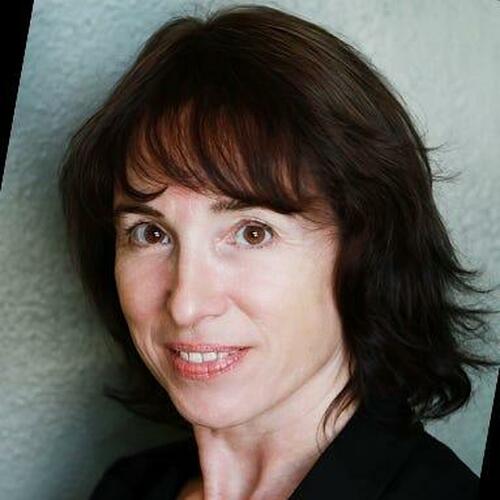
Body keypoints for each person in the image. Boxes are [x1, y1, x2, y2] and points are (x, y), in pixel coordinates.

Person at [57, 4, 497, 499]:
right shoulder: (126, 488)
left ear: (364, 251)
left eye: (252, 233)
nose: (186, 304)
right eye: (150, 234)